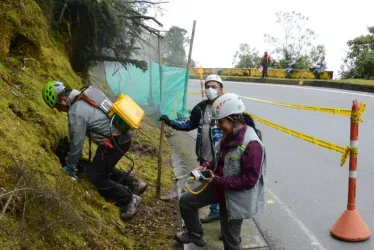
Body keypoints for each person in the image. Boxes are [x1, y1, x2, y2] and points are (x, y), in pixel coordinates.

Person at [42, 81, 148, 220]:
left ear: (62, 99)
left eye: (57, 106)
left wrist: (70, 166)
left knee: (95, 175)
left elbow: (76, 143)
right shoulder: (86, 93)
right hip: (122, 136)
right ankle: (134, 183)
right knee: (100, 166)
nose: (59, 110)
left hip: (114, 143)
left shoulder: (76, 111)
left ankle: (129, 199)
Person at [173, 93, 267, 249]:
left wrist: (216, 180)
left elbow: (249, 181)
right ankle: (195, 235)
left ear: (233, 119)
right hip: (218, 186)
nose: (218, 125)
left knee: (230, 240)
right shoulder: (228, 135)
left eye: (220, 121)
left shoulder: (252, 145)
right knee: (186, 201)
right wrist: (208, 165)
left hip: (235, 198)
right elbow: (220, 158)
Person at [159, 74, 224, 223]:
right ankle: (215, 211)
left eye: (214, 87)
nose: (210, 90)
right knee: (208, 182)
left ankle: (226, 217)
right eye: (208, 87)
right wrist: (170, 122)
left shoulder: (225, 107)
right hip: (204, 154)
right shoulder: (200, 108)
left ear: (220, 90)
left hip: (220, 156)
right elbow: (189, 124)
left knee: (222, 185)